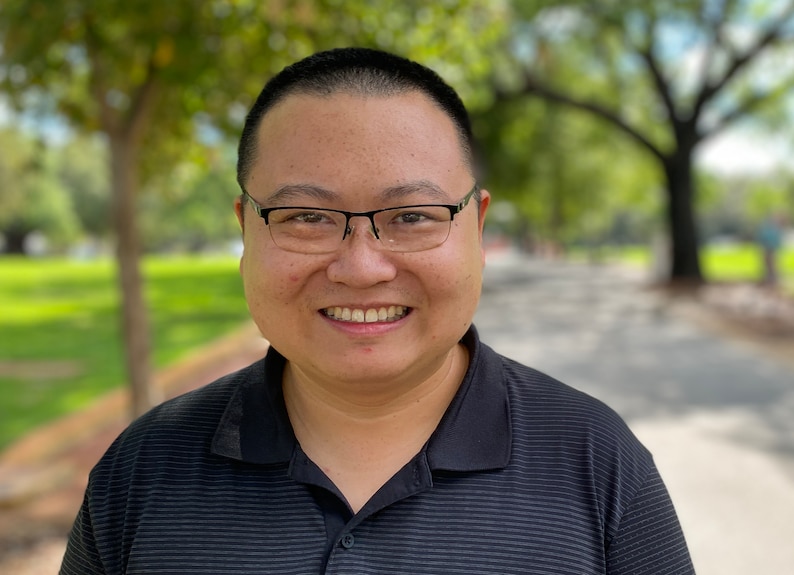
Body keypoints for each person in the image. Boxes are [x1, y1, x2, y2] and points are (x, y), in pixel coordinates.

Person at [61, 47, 695, 574]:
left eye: (412, 216)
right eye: (306, 216)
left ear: (476, 225)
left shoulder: (596, 461)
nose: (362, 268)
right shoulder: (141, 471)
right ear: (245, 229)